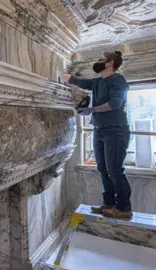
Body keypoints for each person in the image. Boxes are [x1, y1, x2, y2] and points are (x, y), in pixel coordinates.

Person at [63, 51, 132, 218]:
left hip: (116, 130)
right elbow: (81, 82)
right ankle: (108, 203)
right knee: (103, 169)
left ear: (110, 62)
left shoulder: (118, 80)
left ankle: (124, 208)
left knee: (115, 170)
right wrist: (65, 76)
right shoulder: (98, 82)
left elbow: (115, 104)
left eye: (101, 59)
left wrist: (92, 109)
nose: (98, 62)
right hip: (100, 130)